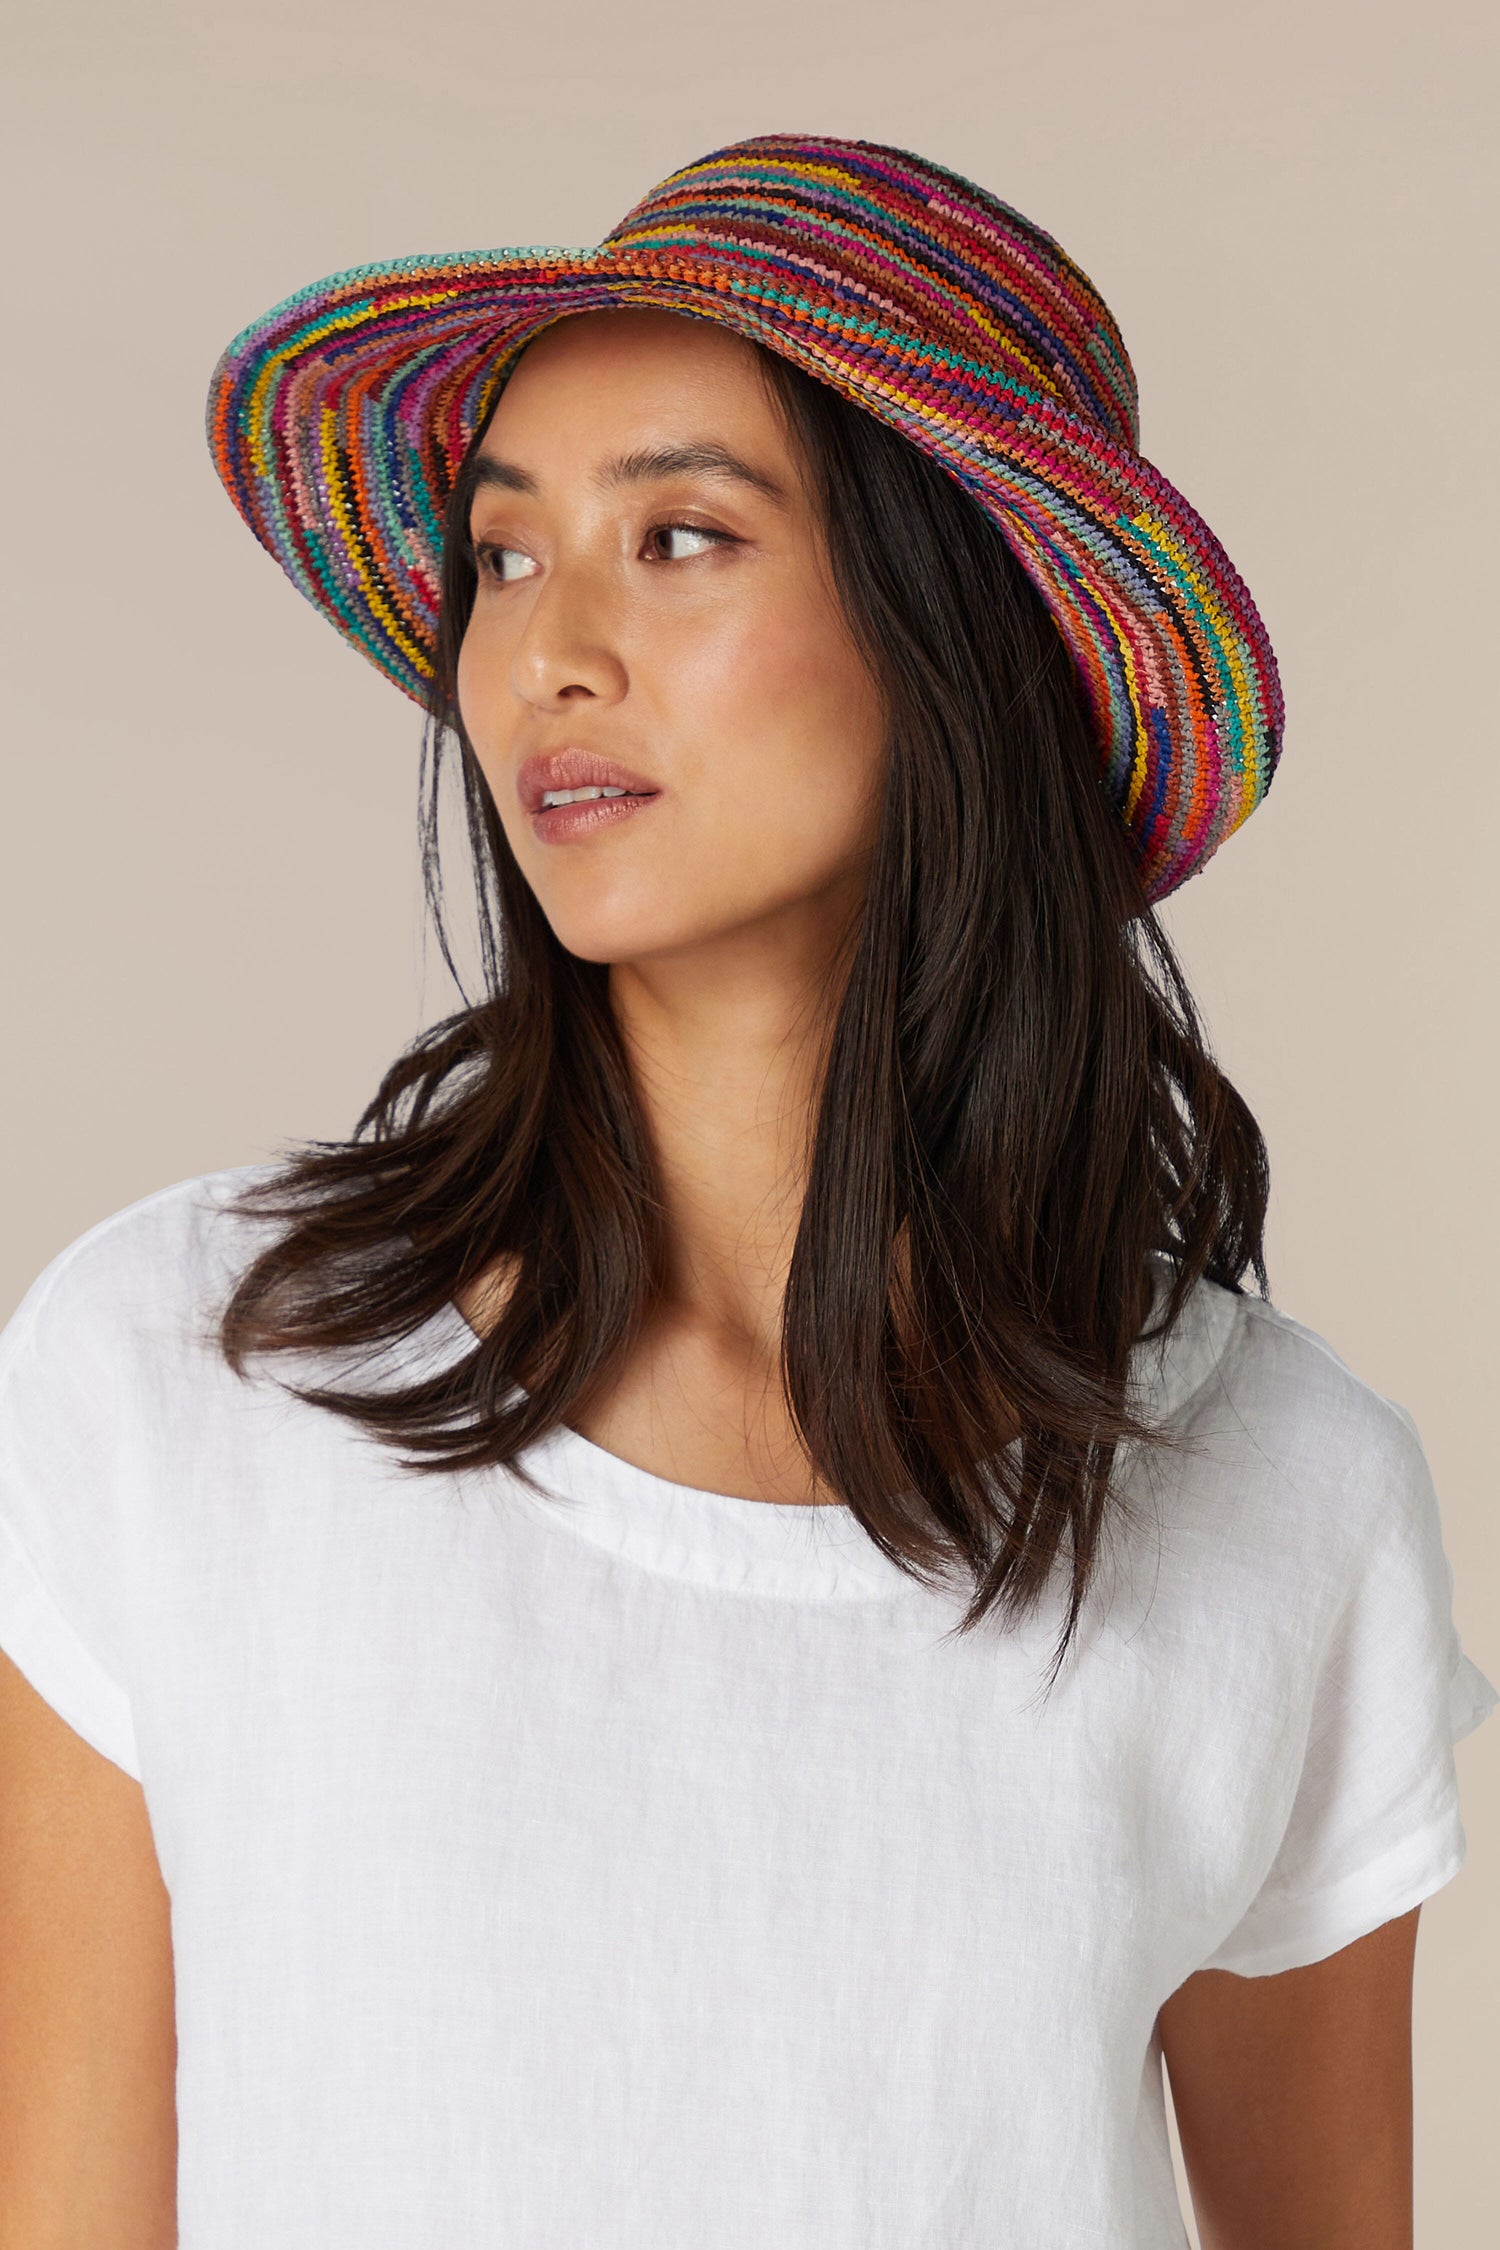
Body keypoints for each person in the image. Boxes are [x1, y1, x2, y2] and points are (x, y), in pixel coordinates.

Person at [0, 132, 1492, 2249]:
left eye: (681, 538)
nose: (547, 655)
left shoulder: (1278, 1488)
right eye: (504, 560)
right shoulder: (175, 1377)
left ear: (958, 628)